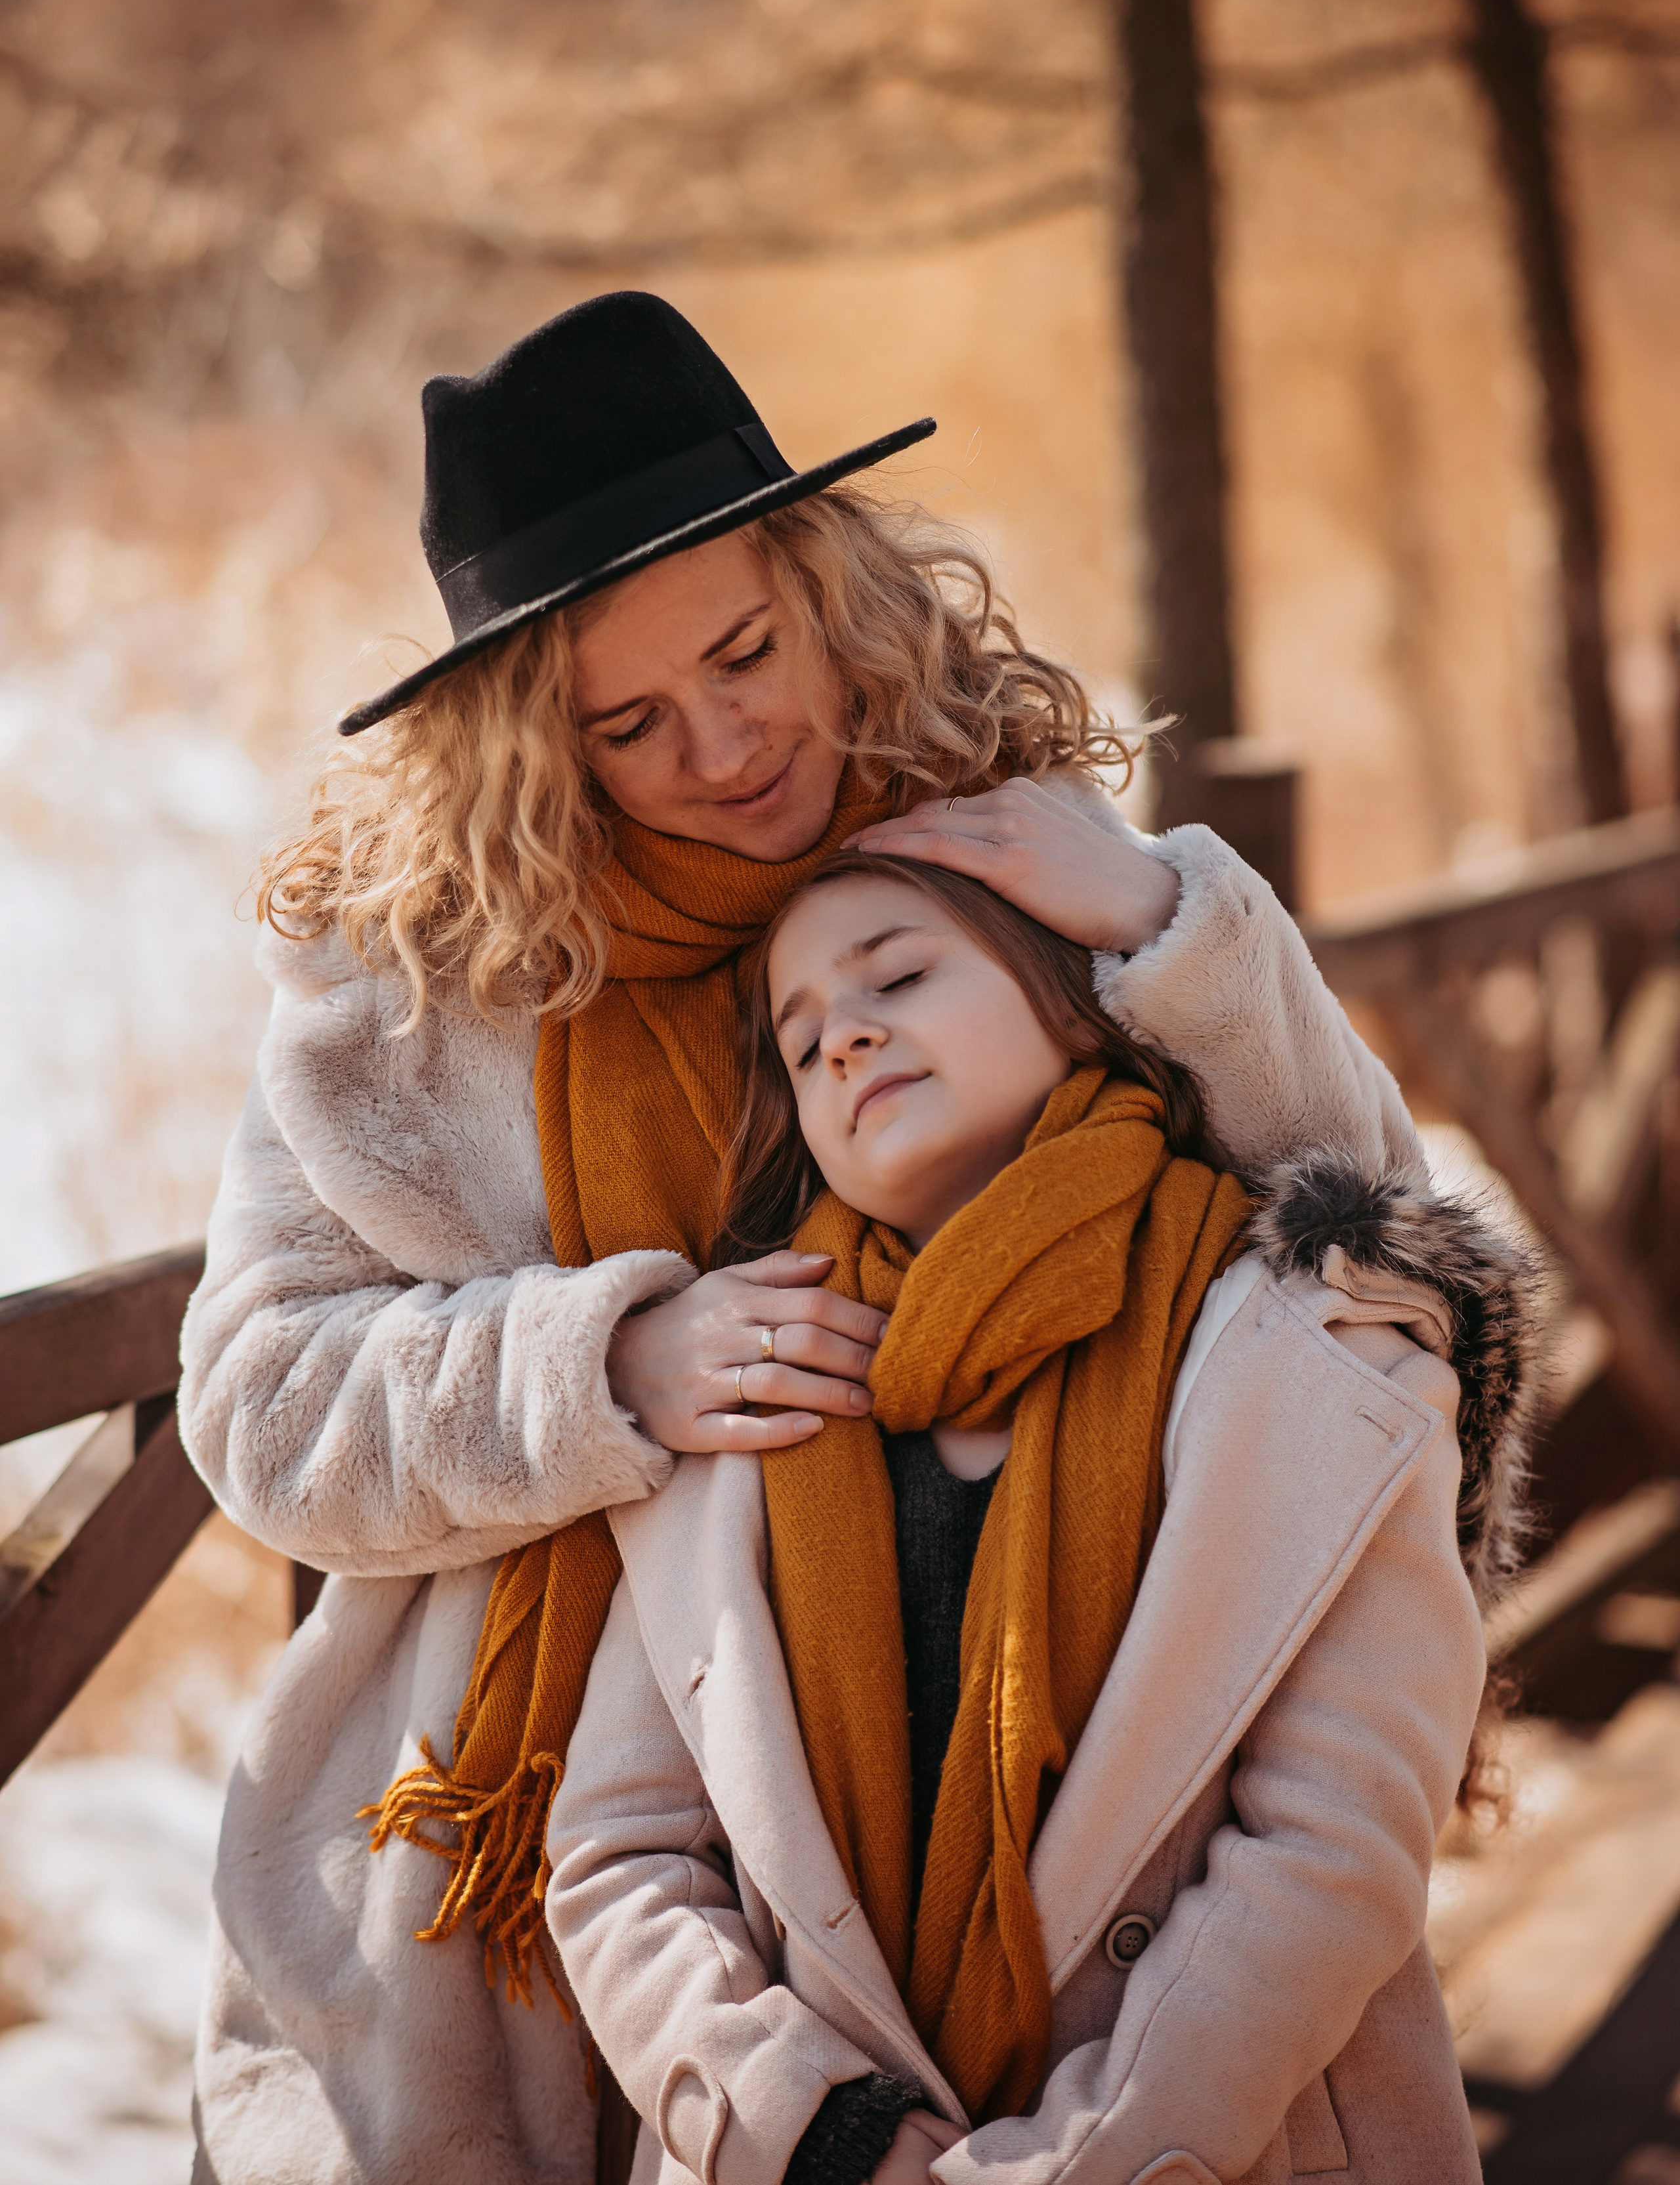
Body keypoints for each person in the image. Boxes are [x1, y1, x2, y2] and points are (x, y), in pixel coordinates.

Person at [179, 293, 1532, 2185]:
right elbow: (254, 1404)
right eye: (627, 725)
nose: (726, 749)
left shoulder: (985, 844)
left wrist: (1167, 921)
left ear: (824, 582)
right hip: (536, 1852)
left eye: (745, 654)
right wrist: (603, 1367)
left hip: (1063, 1771)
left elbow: (1388, 1260)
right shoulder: (419, 989)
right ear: (523, 743)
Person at [547, 850, 1532, 2185]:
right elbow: (621, 1851)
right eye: (800, 1039)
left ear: (1077, 1008)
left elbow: (1333, 1842)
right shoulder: (742, 1398)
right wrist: (818, 2132)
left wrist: (1073, 2161)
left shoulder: (1315, 1354)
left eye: (897, 974)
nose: (843, 1033)